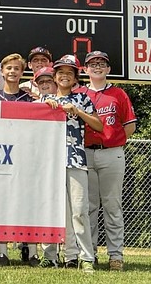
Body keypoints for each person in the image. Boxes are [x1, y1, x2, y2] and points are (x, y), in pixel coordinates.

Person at [39, 55, 103, 273]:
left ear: (75, 77)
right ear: (54, 77)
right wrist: (46, 106)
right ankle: (49, 255)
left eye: (69, 73)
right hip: (50, 162)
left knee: (79, 210)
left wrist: (77, 111)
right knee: (51, 210)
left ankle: (85, 256)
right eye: (61, 73)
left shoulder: (82, 99)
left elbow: (99, 126)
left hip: (76, 159)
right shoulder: (43, 100)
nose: (65, 76)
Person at [76, 50, 137, 272]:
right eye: (93, 64)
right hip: (85, 152)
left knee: (112, 205)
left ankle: (115, 256)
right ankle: (89, 255)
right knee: (88, 207)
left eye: (102, 63)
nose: (98, 67)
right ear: (85, 69)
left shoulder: (118, 94)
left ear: (109, 69)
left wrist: (113, 141)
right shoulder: (79, 93)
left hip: (111, 152)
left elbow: (129, 126)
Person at [0, 54, 39, 267]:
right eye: (8, 68)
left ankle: (33, 251)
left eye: (16, 69)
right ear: (2, 71)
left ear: (22, 72)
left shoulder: (29, 100)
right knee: (1, 204)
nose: (12, 72)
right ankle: (2, 251)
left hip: (24, 158)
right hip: (0, 159)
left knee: (28, 204)